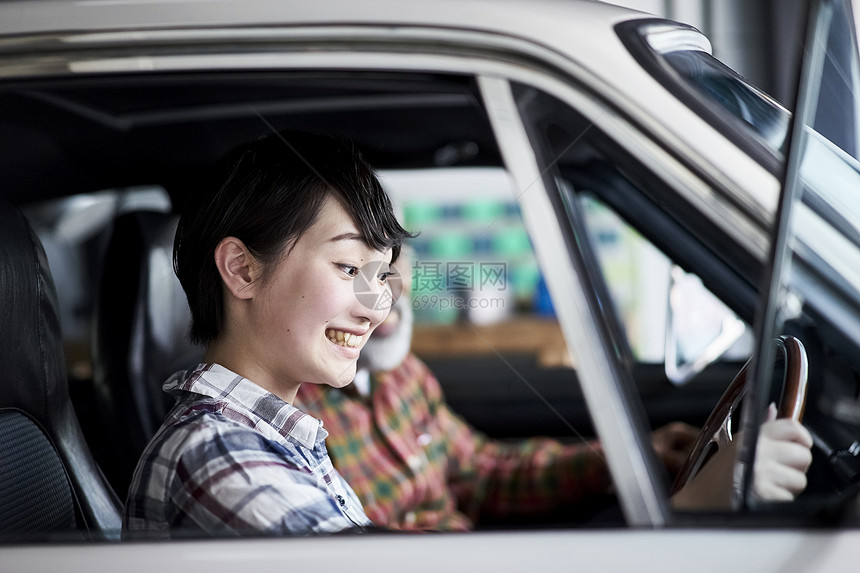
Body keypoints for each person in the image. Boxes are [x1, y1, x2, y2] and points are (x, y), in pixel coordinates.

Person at [296, 250, 814, 529]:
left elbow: (483, 471)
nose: (382, 286)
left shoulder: (403, 376)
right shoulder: (291, 424)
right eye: (349, 266)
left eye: (392, 257)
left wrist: (627, 459)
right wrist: (686, 511)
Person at [123, 131, 412, 538]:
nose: (377, 309)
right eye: (349, 267)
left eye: (381, 275)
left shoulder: (276, 439)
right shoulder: (220, 459)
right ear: (242, 269)